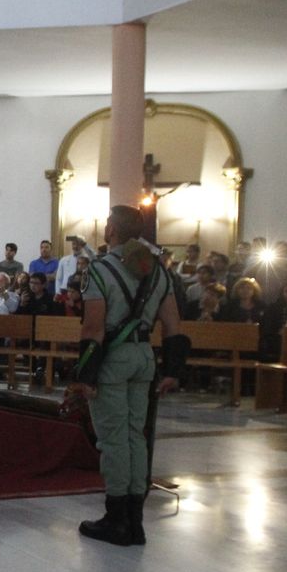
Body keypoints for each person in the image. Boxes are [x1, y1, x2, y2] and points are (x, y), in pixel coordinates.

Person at [68, 206, 186, 547]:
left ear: (112, 231)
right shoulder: (158, 272)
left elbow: (93, 327)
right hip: (144, 357)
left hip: (113, 361)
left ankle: (116, 519)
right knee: (136, 436)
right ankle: (136, 522)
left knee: (113, 440)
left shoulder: (100, 270)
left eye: (106, 223)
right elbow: (174, 325)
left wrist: (84, 377)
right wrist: (174, 370)